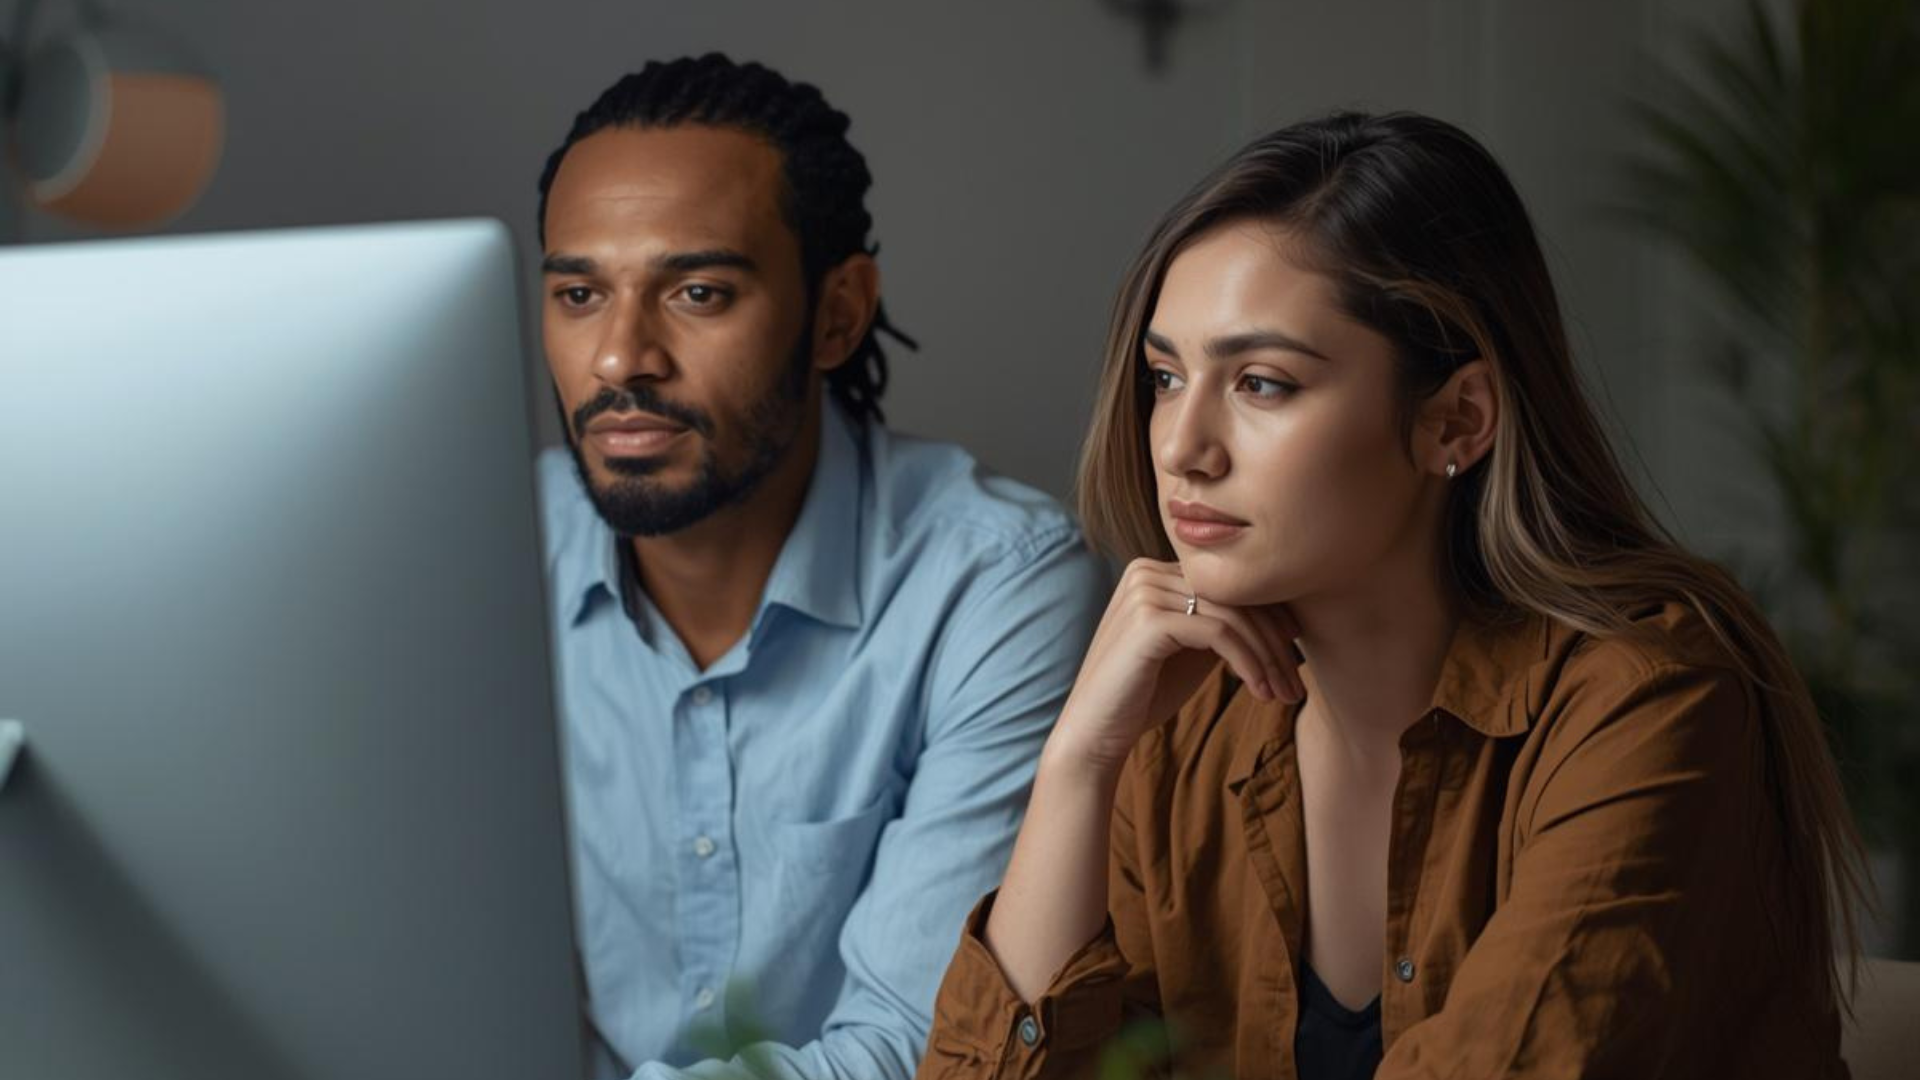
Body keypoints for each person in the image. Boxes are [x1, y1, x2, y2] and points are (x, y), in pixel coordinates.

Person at [917, 111, 1872, 1080]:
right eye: (1166, 377)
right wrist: (1079, 761)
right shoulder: (1177, 732)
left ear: (1455, 419)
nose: (1179, 447)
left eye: (1261, 383)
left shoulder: (1651, 700)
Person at [533, 54, 1108, 1080]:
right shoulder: (487, 555)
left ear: (838, 313)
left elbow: (912, 1047)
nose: (620, 358)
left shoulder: (994, 583)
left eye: (698, 291)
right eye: (580, 293)